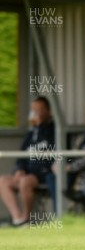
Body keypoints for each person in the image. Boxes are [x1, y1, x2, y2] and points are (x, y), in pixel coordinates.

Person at [0, 96, 55, 226]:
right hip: (27, 173)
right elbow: (22, 155)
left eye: (40, 110)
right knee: (3, 181)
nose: (37, 113)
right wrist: (19, 169)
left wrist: (33, 171)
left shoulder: (54, 130)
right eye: (34, 110)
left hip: (41, 174)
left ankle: (26, 218)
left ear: (48, 111)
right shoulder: (31, 133)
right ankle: (17, 218)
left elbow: (54, 156)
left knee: (25, 181)